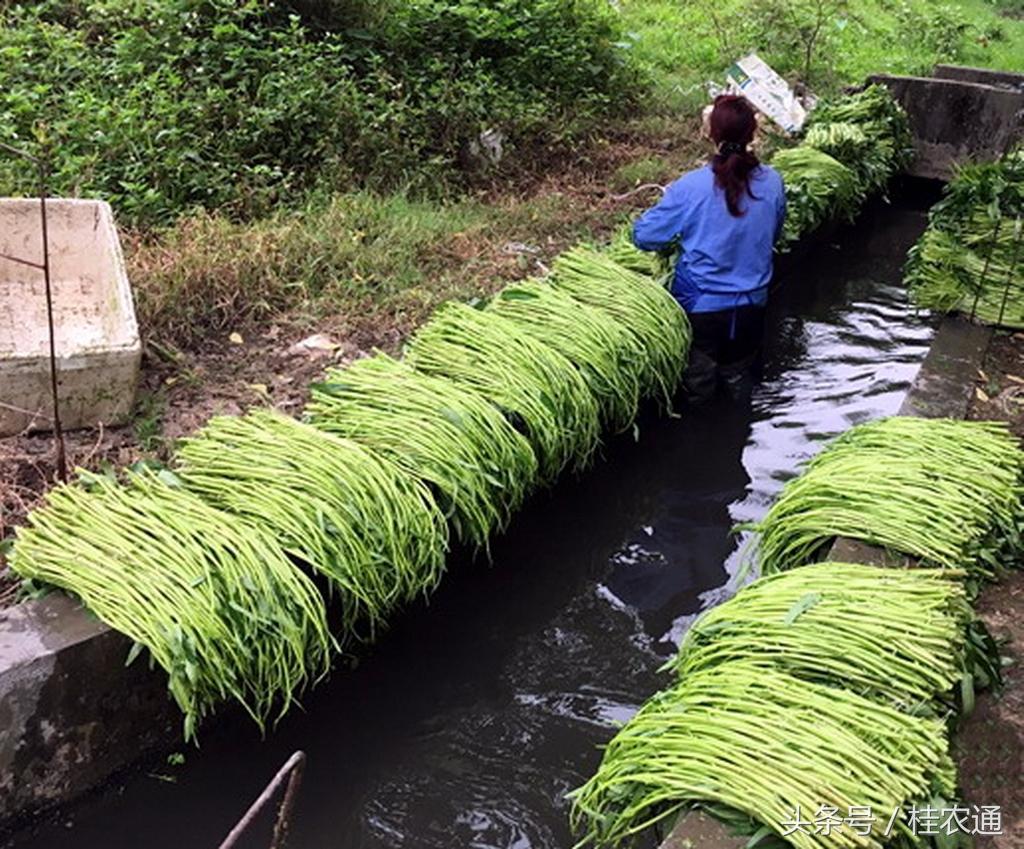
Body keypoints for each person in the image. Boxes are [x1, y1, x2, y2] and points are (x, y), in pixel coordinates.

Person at [632, 94, 786, 401]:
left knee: (698, 394)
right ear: (753, 134)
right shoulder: (773, 183)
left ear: (711, 134)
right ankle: (735, 437)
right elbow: (774, 234)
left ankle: (703, 441)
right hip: (752, 308)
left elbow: (644, 237)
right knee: (740, 388)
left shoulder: (691, 187)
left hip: (701, 310)